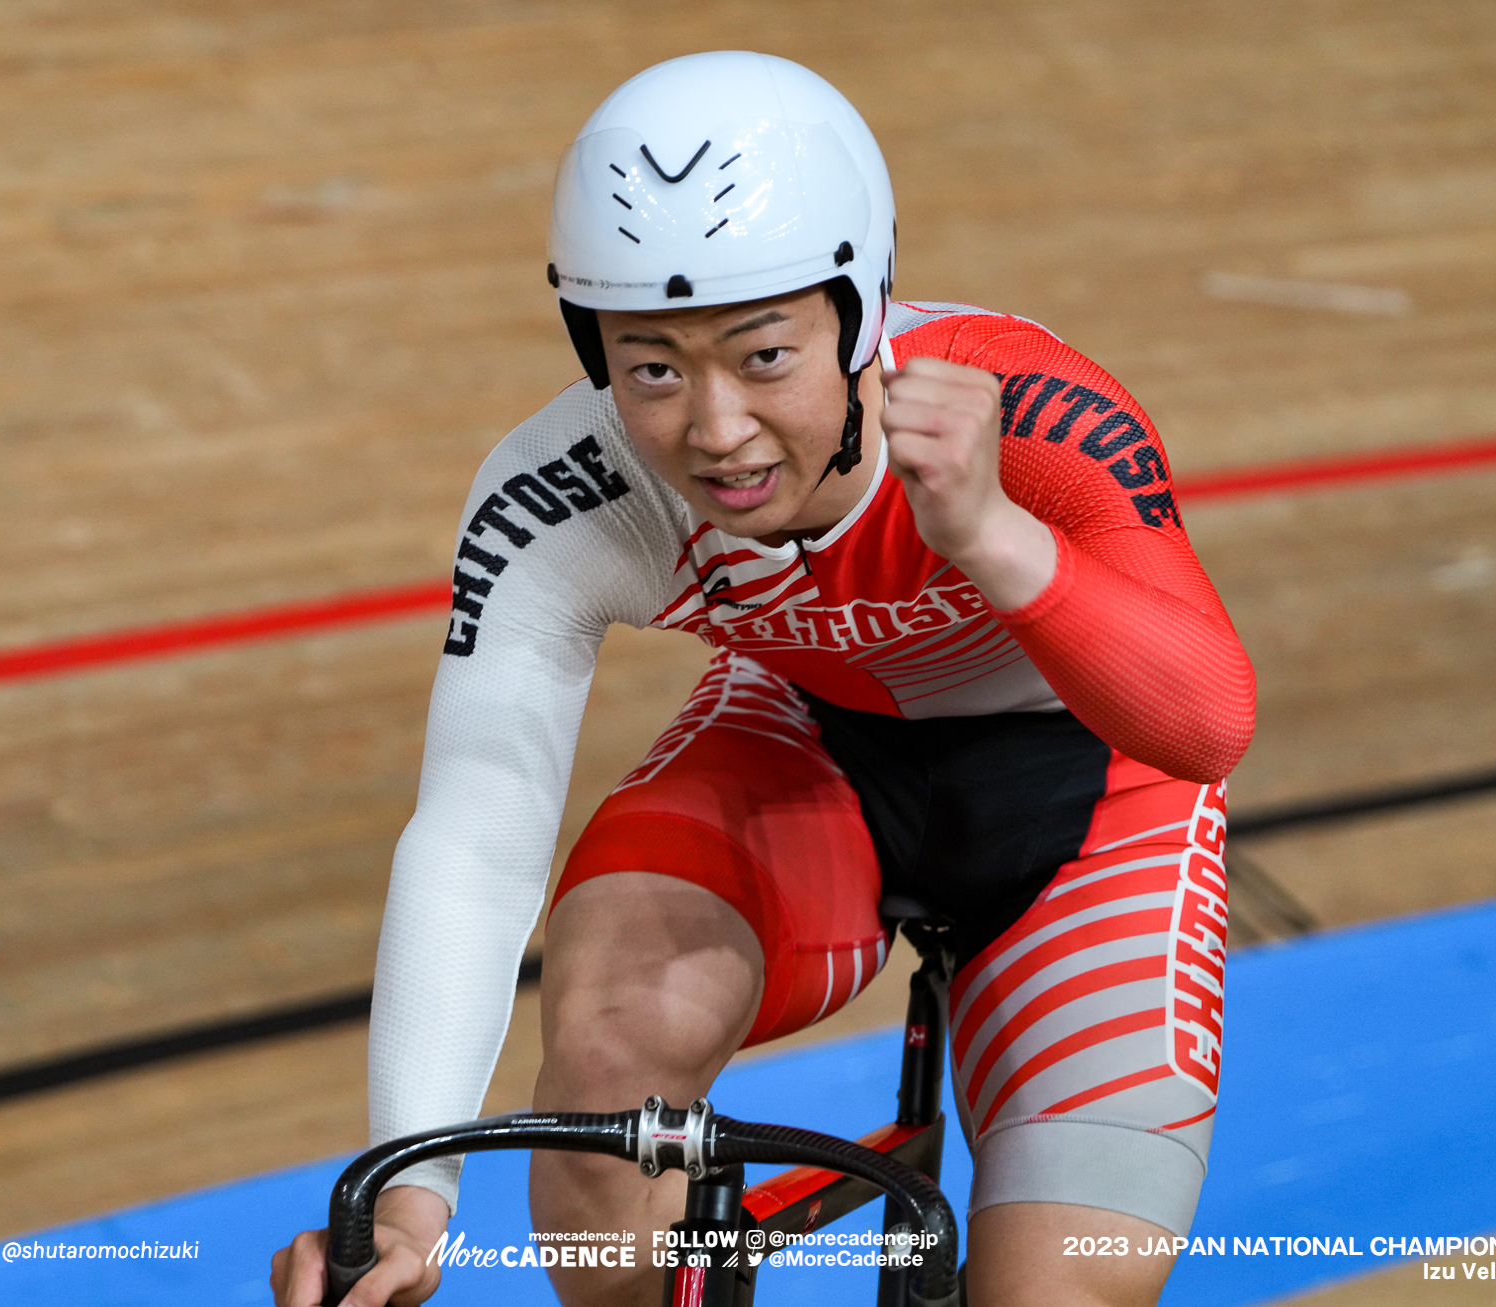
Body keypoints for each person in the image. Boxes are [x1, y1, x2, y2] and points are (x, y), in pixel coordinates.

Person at [273, 50, 1254, 1307]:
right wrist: (408, 1197)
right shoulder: (563, 495)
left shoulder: (1037, 411)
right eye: (653, 367)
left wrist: (996, 535)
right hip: (809, 741)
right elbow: (476, 834)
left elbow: (1206, 722)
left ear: (861, 313)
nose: (717, 426)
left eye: (764, 355)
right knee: (609, 1030)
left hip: (1097, 792)